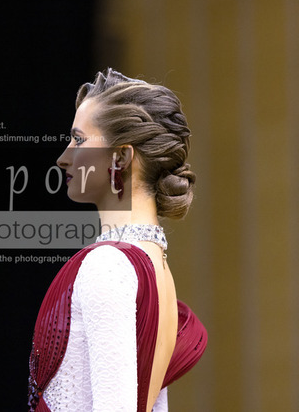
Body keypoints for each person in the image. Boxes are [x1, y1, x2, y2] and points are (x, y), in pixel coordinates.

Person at [28, 68, 207, 411]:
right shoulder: (155, 267)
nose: (63, 158)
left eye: (79, 140)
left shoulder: (109, 265)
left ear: (121, 157)